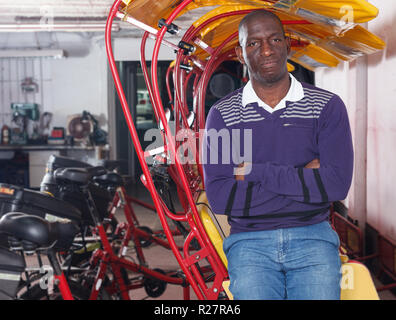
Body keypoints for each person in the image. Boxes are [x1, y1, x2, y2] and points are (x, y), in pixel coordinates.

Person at [202, 9, 354, 300]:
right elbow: (221, 197)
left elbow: (336, 185)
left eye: (274, 39)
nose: (267, 49)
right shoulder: (222, 115)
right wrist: (305, 176)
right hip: (249, 242)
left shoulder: (327, 106)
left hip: (313, 236)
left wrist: (254, 171)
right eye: (254, 43)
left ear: (287, 44)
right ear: (240, 52)